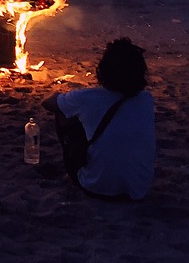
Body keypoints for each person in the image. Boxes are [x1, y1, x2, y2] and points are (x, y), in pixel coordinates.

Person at [41, 36, 156, 200]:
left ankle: (77, 169)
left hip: (96, 187)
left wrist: (60, 95)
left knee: (64, 113)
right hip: (138, 189)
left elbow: (48, 103)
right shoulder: (146, 99)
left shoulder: (89, 97)